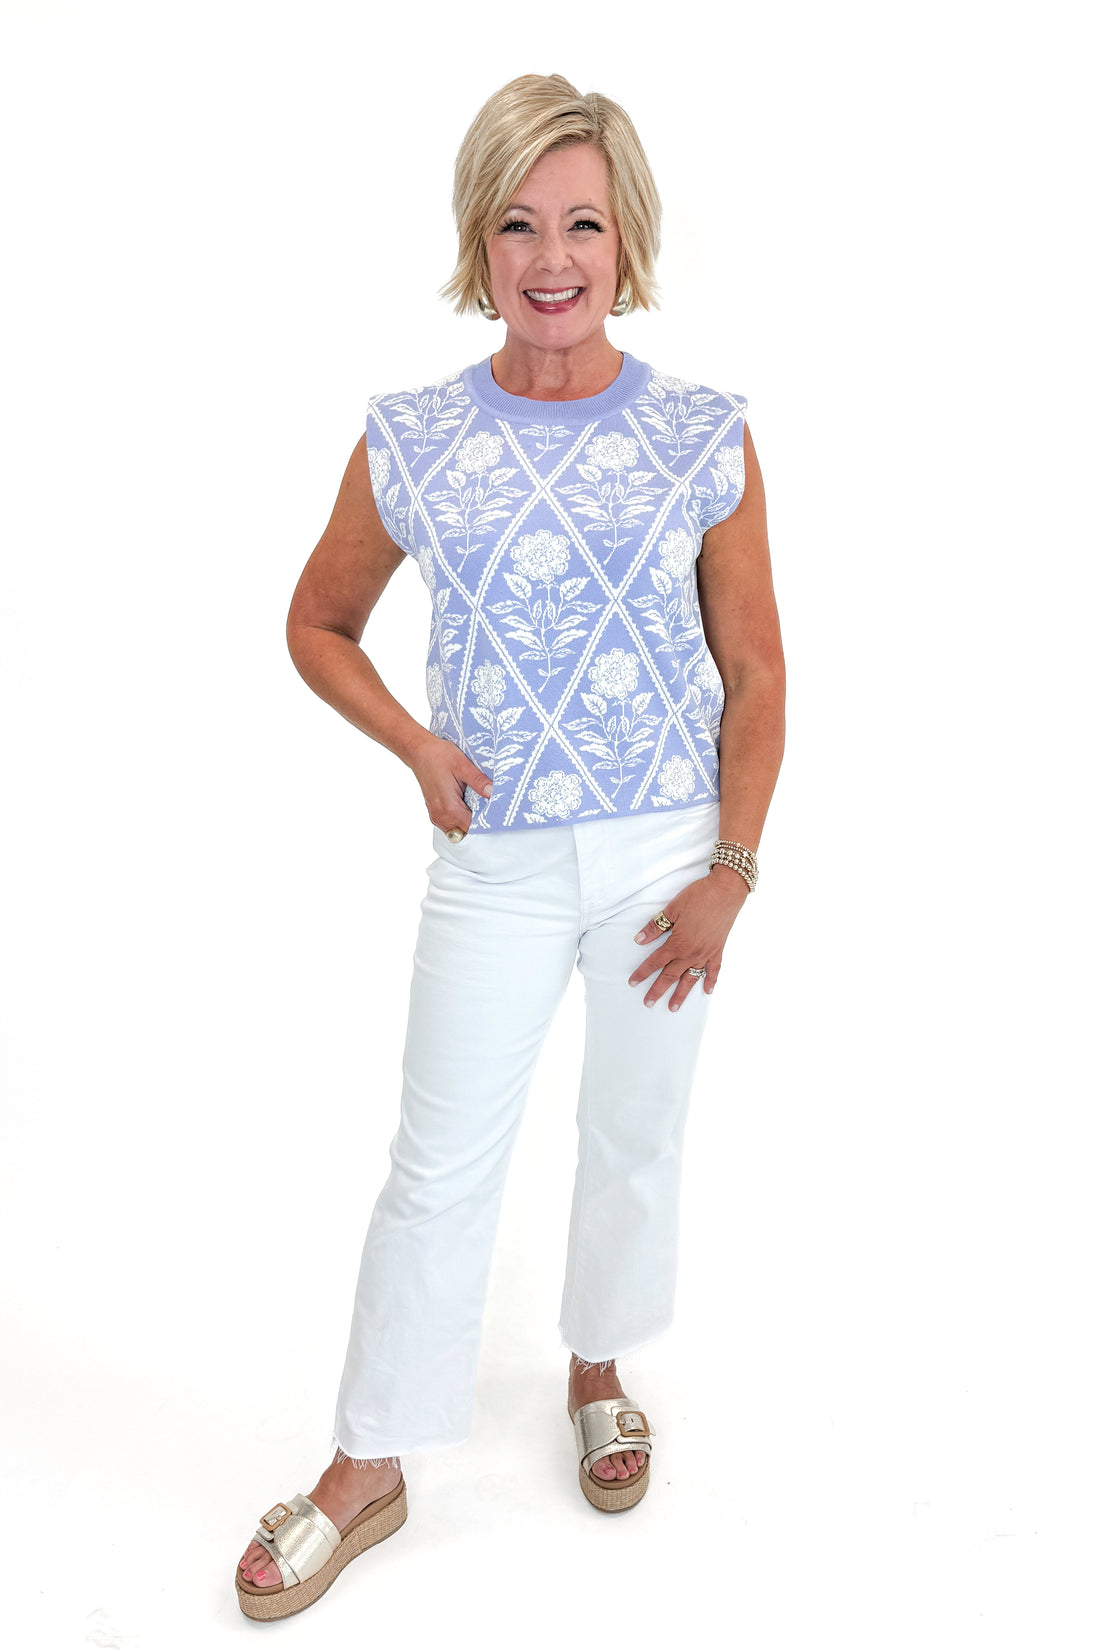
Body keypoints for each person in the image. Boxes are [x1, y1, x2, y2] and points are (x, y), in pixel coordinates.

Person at [235, 71, 785, 1621]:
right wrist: (414, 742)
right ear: (481, 246)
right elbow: (317, 619)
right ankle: (370, 1462)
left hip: (667, 854)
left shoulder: (701, 432)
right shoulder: (416, 437)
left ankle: (598, 1367)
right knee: (438, 1165)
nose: (555, 256)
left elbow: (756, 669)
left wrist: (730, 871)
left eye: (585, 223)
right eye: (521, 223)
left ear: (629, 239)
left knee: (633, 1131)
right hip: (495, 857)